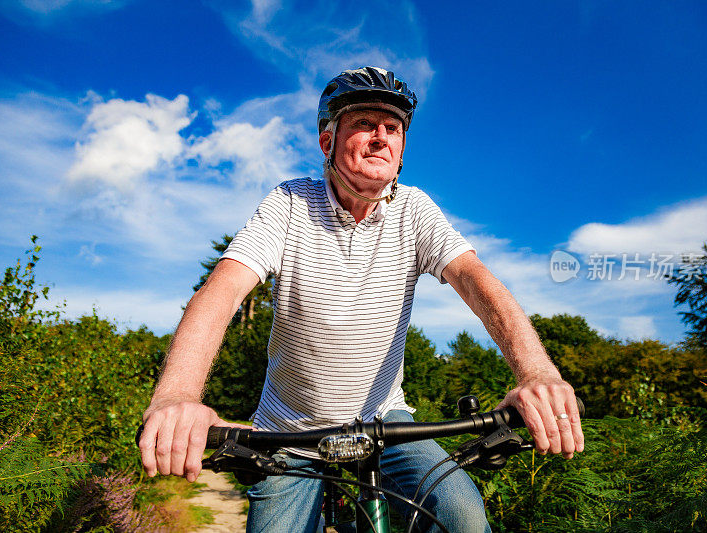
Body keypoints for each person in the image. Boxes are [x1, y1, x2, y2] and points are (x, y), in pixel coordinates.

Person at [139, 66, 584, 532]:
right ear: (327, 143)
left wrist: (537, 374)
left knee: (463, 516)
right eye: (364, 124)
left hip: (383, 418)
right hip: (290, 429)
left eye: (392, 128)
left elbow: (474, 279)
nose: (381, 137)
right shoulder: (289, 203)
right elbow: (222, 291)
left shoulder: (414, 209)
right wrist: (178, 395)